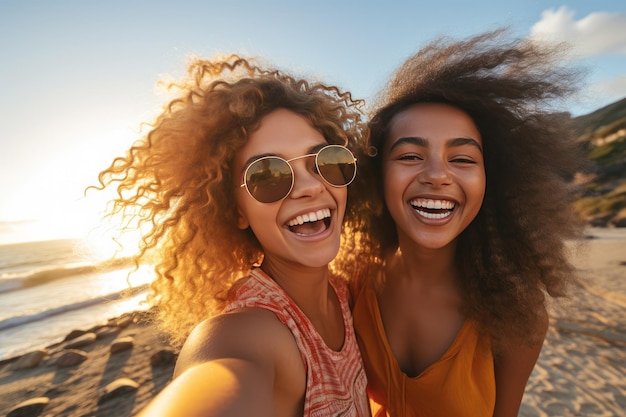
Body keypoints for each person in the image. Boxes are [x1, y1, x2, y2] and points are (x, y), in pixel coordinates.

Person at [94, 55, 371, 416]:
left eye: (325, 160)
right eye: (268, 174)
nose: (309, 186)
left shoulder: (347, 292)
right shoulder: (244, 333)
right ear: (236, 210)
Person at [350, 29, 586, 417]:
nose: (438, 176)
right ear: (377, 175)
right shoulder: (356, 284)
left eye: (462, 159)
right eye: (410, 156)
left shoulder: (516, 313)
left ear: (491, 181)